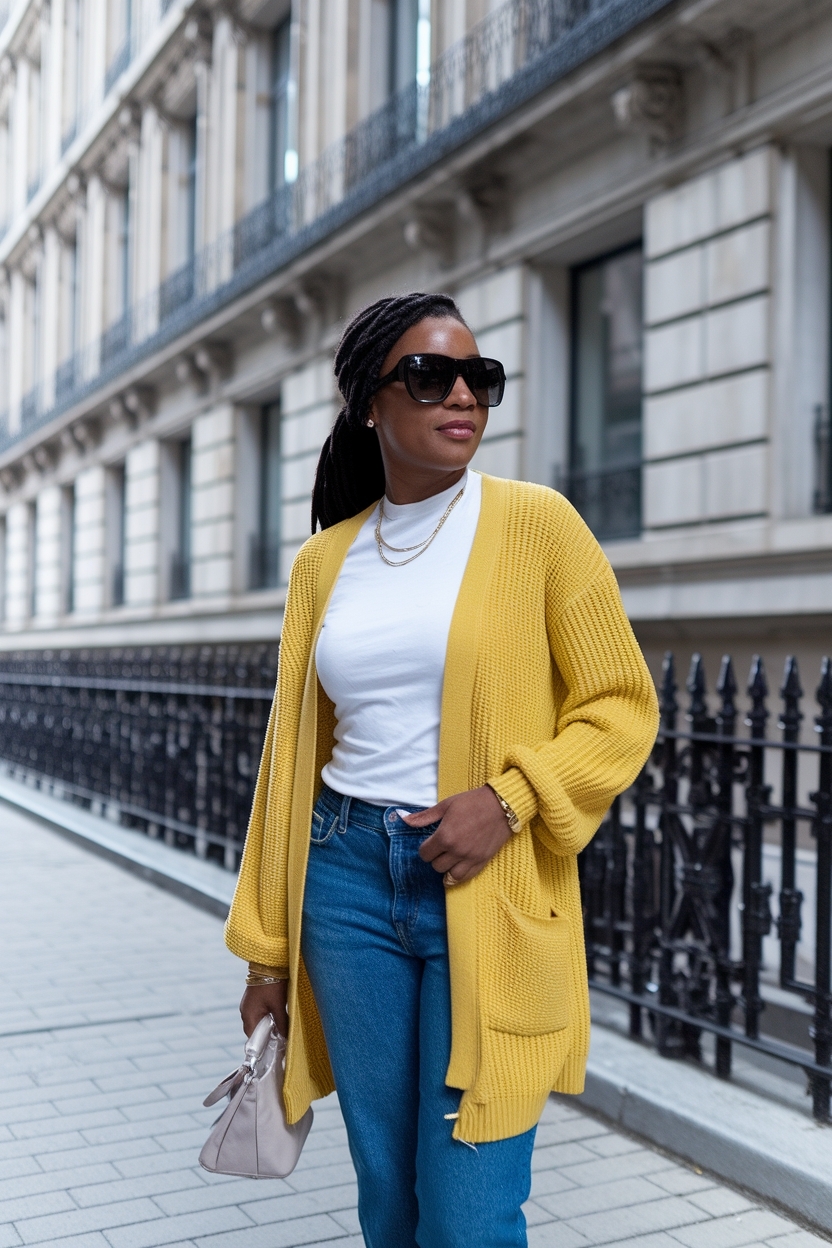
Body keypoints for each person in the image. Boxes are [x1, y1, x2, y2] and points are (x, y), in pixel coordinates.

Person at [224, 291, 659, 1247]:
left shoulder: (539, 527)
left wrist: (511, 802)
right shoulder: (323, 565)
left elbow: (622, 704)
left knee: (468, 1208)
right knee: (389, 1190)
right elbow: (287, 760)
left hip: (484, 881)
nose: (462, 394)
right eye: (430, 375)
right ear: (371, 404)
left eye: (480, 377)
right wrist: (267, 952)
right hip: (341, 883)